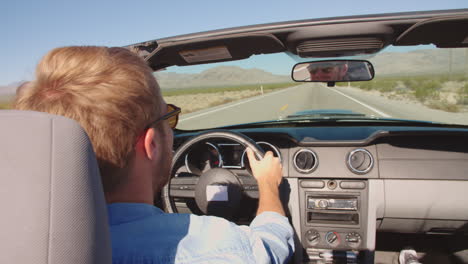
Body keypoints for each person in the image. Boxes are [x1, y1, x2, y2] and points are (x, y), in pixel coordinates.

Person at [14, 46, 294, 263]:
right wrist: (268, 184)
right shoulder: (217, 245)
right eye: (168, 119)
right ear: (151, 144)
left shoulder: (19, 245)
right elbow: (274, 245)